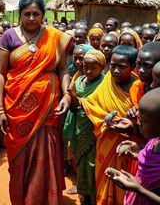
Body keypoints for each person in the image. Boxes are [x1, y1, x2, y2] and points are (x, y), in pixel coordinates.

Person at [0, 0, 72, 204]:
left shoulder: (54, 37)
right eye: (27, 14)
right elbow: (0, 74)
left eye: (36, 14)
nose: (31, 18)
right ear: (20, 14)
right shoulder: (8, 36)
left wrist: (66, 95)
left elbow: (63, 69)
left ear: (43, 15)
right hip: (16, 109)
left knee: (48, 156)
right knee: (19, 159)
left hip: (49, 108)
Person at [81, 45, 138, 205]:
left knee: (123, 186)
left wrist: (132, 121)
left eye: (122, 67)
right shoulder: (107, 80)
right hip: (106, 140)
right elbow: (92, 102)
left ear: (133, 66)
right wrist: (104, 119)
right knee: (105, 179)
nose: (116, 70)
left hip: (127, 147)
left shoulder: (138, 87)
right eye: (113, 65)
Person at [64, 50, 106, 205]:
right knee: (81, 164)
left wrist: (83, 103)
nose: (88, 71)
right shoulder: (79, 80)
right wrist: (74, 97)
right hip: (78, 129)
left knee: (93, 165)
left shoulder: (104, 83)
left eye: (93, 68)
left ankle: (95, 197)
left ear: (101, 67)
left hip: (95, 131)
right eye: (85, 67)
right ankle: (84, 196)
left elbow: (104, 108)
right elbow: (74, 109)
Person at [106, 88, 160, 205]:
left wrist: (139, 189)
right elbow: (152, 159)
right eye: (138, 117)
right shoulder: (155, 139)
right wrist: (139, 152)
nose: (138, 123)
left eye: (144, 121)